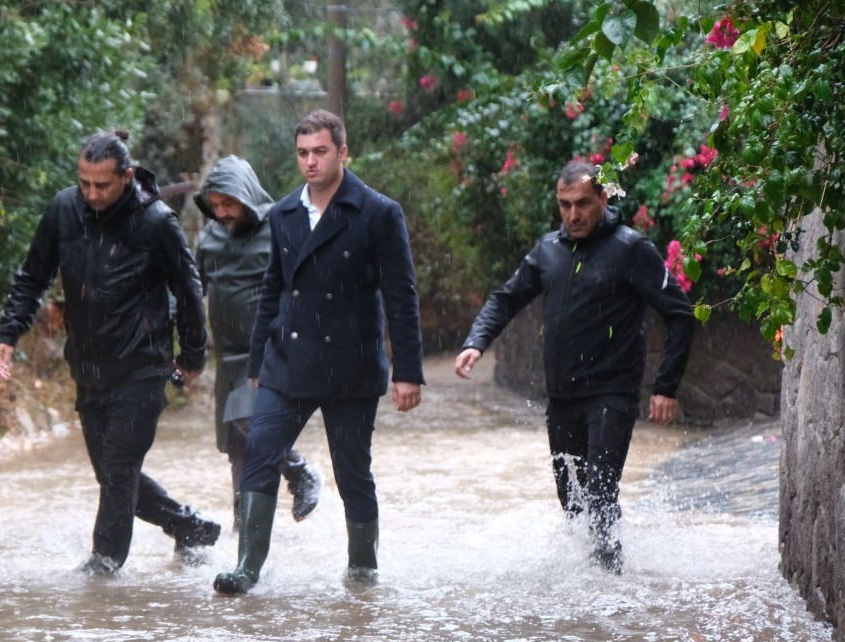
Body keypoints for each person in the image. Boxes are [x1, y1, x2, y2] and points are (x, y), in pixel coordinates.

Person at [213, 110, 425, 595]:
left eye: (320, 152)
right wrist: (255, 366)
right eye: (303, 153)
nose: (311, 162)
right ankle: (247, 567)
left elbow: (401, 295)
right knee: (262, 450)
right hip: (287, 361)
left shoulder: (377, 212)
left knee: (352, 470)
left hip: (352, 363)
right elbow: (273, 290)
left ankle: (363, 569)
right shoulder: (284, 213)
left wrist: (408, 371)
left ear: (343, 153)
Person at [0, 130, 221, 576]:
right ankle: (187, 526)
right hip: (89, 367)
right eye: (85, 183)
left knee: (118, 470)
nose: (92, 194)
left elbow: (189, 291)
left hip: (142, 367)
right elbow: (32, 276)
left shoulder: (157, 223)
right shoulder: (63, 210)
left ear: (127, 177)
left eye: (102, 185)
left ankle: (103, 565)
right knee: (114, 475)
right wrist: (8, 331)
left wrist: (192, 356)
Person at [454, 159, 695, 575]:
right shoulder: (548, 250)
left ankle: (610, 592)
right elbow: (505, 298)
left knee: (601, 494)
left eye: (582, 203)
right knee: (573, 505)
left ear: (603, 198)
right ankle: (586, 598)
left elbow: (682, 314)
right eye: (564, 205)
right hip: (563, 398)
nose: (573, 215)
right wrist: (477, 342)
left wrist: (665, 387)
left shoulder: (630, 248)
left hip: (611, 395)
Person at [193, 155, 325, 531]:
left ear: (248, 196)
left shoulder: (281, 226)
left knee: (248, 419)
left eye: (229, 203)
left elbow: (309, 285)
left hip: (271, 353)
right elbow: (192, 289)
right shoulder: (210, 237)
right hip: (228, 359)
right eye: (215, 206)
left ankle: (300, 472)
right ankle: (245, 536)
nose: (222, 213)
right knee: (240, 452)